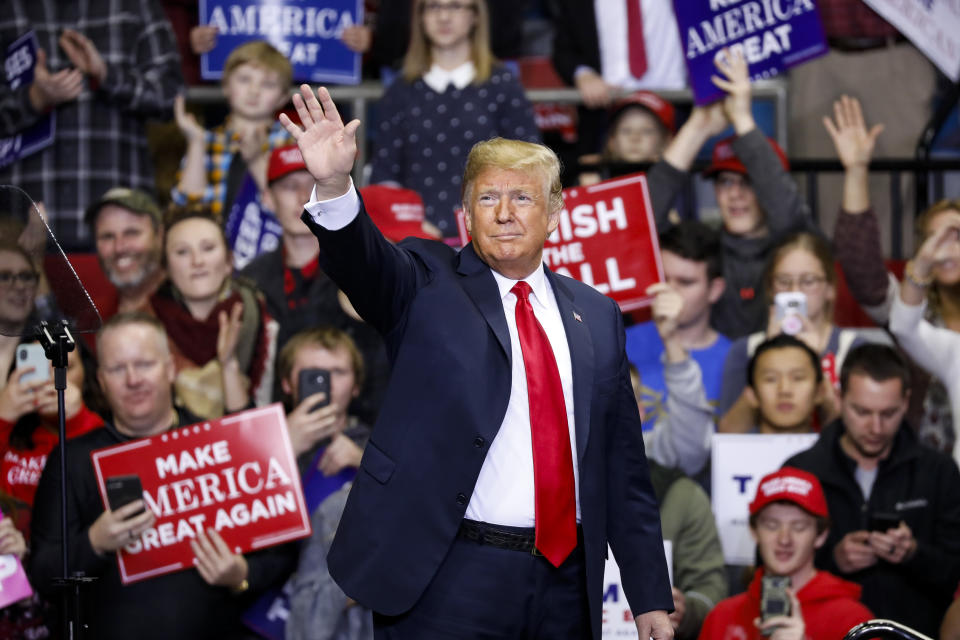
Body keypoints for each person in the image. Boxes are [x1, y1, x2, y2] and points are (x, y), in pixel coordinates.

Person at [280, 86, 673, 638]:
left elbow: (623, 466)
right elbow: (364, 263)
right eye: (488, 199)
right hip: (450, 574)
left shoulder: (598, 314)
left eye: (523, 198)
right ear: (465, 213)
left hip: (567, 583)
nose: (505, 214)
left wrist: (649, 596)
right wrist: (333, 185)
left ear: (555, 212)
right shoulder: (425, 281)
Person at [29, 313, 295, 639]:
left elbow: (282, 554)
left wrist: (243, 575)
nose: (133, 379)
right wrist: (94, 543)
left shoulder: (219, 444)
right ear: (100, 381)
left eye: (144, 364)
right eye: (117, 369)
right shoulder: (73, 460)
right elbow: (43, 575)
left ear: (170, 369)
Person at [784, 343, 960, 637]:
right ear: (839, 398)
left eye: (888, 413)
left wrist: (914, 554)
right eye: (862, 411)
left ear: (906, 402)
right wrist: (832, 560)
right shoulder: (802, 471)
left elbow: (955, 573)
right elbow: (770, 567)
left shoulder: (938, 472)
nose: (875, 427)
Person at [647, 49, 816, 339]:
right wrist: (696, 128)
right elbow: (642, 223)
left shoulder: (793, 247)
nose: (736, 194)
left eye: (748, 182)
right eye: (725, 182)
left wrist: (741, 117)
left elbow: (785, 210)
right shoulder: (706, 249)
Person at [0, 1, 182, 250]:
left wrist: (107, 76)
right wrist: (32, 99)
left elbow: (172, 97)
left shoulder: (137, 5)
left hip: (119, 224)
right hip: (21, 224)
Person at [240, 145, 393, 421]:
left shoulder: (361, 270)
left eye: (313, 185)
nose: (302, 197)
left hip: (361, 433)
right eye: (289, 186)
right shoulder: (249, 281)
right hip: (275, 435)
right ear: (267, 199)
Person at [369, 0, 540, 239]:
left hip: (493, 239)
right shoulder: (399, 91)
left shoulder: (503, 86)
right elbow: (384, 178)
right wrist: (410, 227)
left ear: (476, 16)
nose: (444, 17)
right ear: (419, 17)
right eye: (433, 7)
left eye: (456, 6)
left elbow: (531, 168)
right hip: (416, 245)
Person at [698, 467, 873, 639]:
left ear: (821, 535)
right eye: (772, 525)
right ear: (753, 530)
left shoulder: (853, 621)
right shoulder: (722, 617)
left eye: (798, 527)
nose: (784, 539)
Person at [719, 232, 863, 433]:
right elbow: (728, 433)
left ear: (830, 288)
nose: (795, 290)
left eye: (809, 281)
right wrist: (767, 355)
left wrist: (816, 361)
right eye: (784, 281)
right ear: (770, 289)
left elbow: (855, 435)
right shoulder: (745, 350)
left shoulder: (856, 350)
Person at [171, 40, 294, 266]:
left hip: (274, 261)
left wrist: (257, 160)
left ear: (283, 97)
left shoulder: (292, 141)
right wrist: (196, 144)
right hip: (212, 264)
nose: (254, 91)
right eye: (244, 79)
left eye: (267, 84)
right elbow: (187, 211)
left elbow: (293, 212)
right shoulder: (206, 140)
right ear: (226, 86)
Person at [149, 209, 276, 419]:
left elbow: (264, 417)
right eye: (182, 252)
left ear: (228, 262)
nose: (197, 261)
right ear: (167, 269)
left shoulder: (259, 320)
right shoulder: (146, 325)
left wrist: (229, 365)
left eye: (208, 248)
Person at [626, 222, 729, 476]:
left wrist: (670, 339)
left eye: (685, 282)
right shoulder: (617, 342)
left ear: (714, 290)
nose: (668, 291)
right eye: (662, 278)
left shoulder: (734, 359)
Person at [550, 1, 685, 156]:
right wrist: (583, 74)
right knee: (605, 177)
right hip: (604, 106)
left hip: (678, 102)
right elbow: (563, 48)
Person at [888, 207, 960, 467]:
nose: (948, 249)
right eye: (937, 238)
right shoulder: (956, 352)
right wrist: (922, 264)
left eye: (957, 238)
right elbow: (904, 327)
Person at [277, 326, 370, 475]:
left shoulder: (378, 448)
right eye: (313, 374)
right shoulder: (261, 443)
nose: (327, 384)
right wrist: (282, 449)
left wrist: (365, 465)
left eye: (338, 372)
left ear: (356, 385)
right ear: (286, 383)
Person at [87, 187, 166, 320]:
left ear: (159, 235)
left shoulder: (192, 305)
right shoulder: (94, 317)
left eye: (131, 233)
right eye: (107, 236)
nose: (119, 248)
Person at [579, 90, 675, 185]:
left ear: (666, 141)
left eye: (646, 131)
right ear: (611, 141)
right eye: (626, 130)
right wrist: (589, 192)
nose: (635, 138)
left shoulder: (672, 180)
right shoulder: (594, 177)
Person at [744, 335, 823, 435]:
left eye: (797, 378)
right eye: (771, 379)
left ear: (819, 392)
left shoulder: (834, 450)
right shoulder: (730, 450)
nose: (784, 390)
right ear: (752, 394)